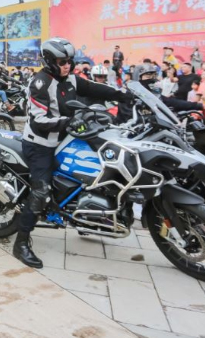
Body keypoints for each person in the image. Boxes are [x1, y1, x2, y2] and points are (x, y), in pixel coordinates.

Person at [14, 37, 131, 269]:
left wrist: (123, 94)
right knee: (41, 191)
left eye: (69, 61)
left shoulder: (70, 79)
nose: (67, 65)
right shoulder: (40, 83)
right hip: (41, 144)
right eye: (62, 62)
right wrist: (69, 122)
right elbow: (39, 121)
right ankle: (21, 243)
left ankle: (87, 216)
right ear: (49, 61)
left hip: (65, 138)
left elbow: (95, 88)